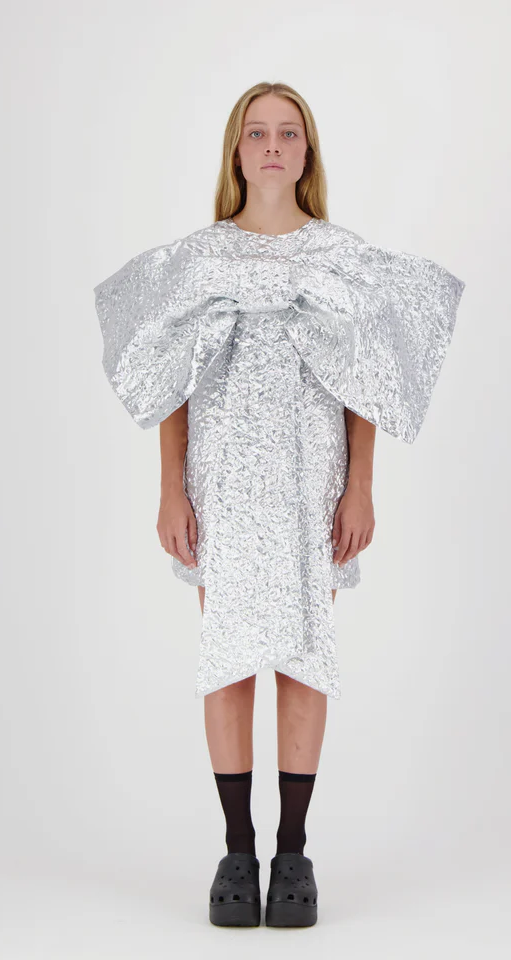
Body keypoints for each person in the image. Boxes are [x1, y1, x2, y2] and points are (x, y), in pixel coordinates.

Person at [93, 81, 465, 928]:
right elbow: (171, 380)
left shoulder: (338, 256)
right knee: (227, 652)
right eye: (257, 133)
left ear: (306, 152)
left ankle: (293, 852)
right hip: (222, 477)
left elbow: (366, 378)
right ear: (236, 150)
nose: (272, 146)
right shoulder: (199, 259)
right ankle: (237, 850)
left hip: (311, 475)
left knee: (302, 651)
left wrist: (361, 485)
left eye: (287, 133)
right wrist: (170, 487)